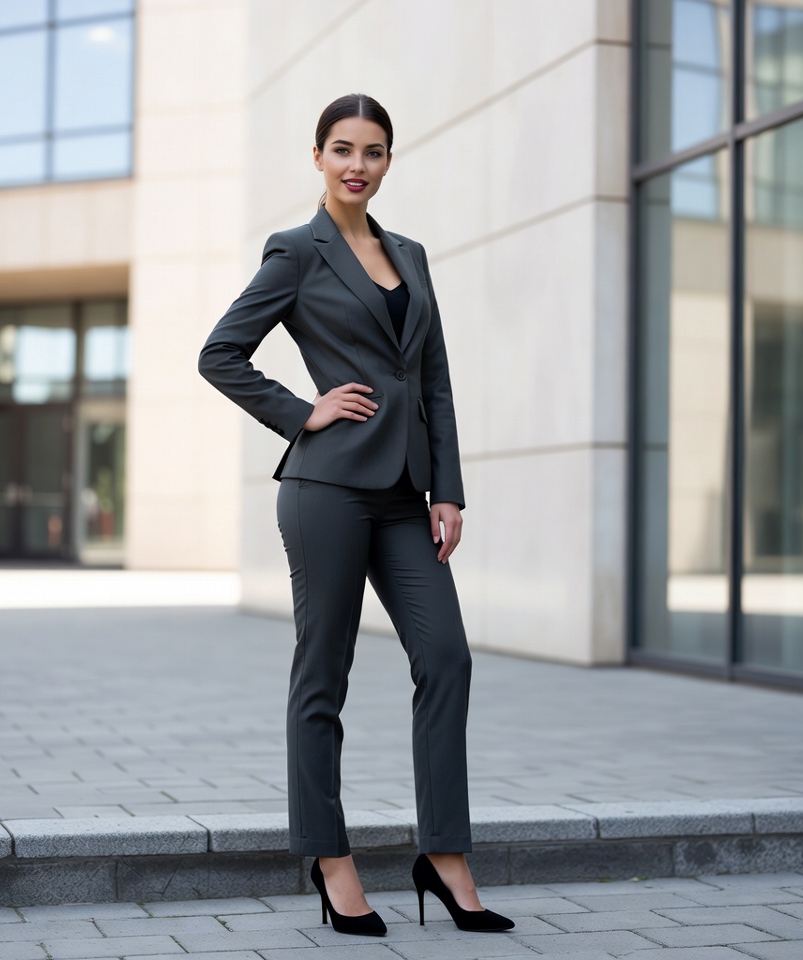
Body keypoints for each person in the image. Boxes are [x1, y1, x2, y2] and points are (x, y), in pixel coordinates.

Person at [198, 93, 512, 937]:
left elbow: (434, 379)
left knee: (445, 658)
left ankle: (444, 854)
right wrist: (301, 411)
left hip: (405, 495)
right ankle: (330, 860)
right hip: (327, 489)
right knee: (323, 672)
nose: (356, 165)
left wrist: (447, 488)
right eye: (342, 149)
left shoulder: (410, 254)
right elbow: (219, 354)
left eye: (372, 152)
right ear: (318, 156)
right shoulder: (296, 251)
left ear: (387, 162)